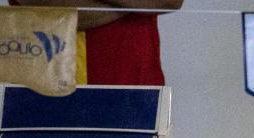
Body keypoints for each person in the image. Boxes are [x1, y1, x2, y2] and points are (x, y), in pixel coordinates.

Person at [10, 0, 183, 85]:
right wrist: (133, 7)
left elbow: (168, 0)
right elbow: (54, 12)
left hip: (133, 88)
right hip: (48, 88)